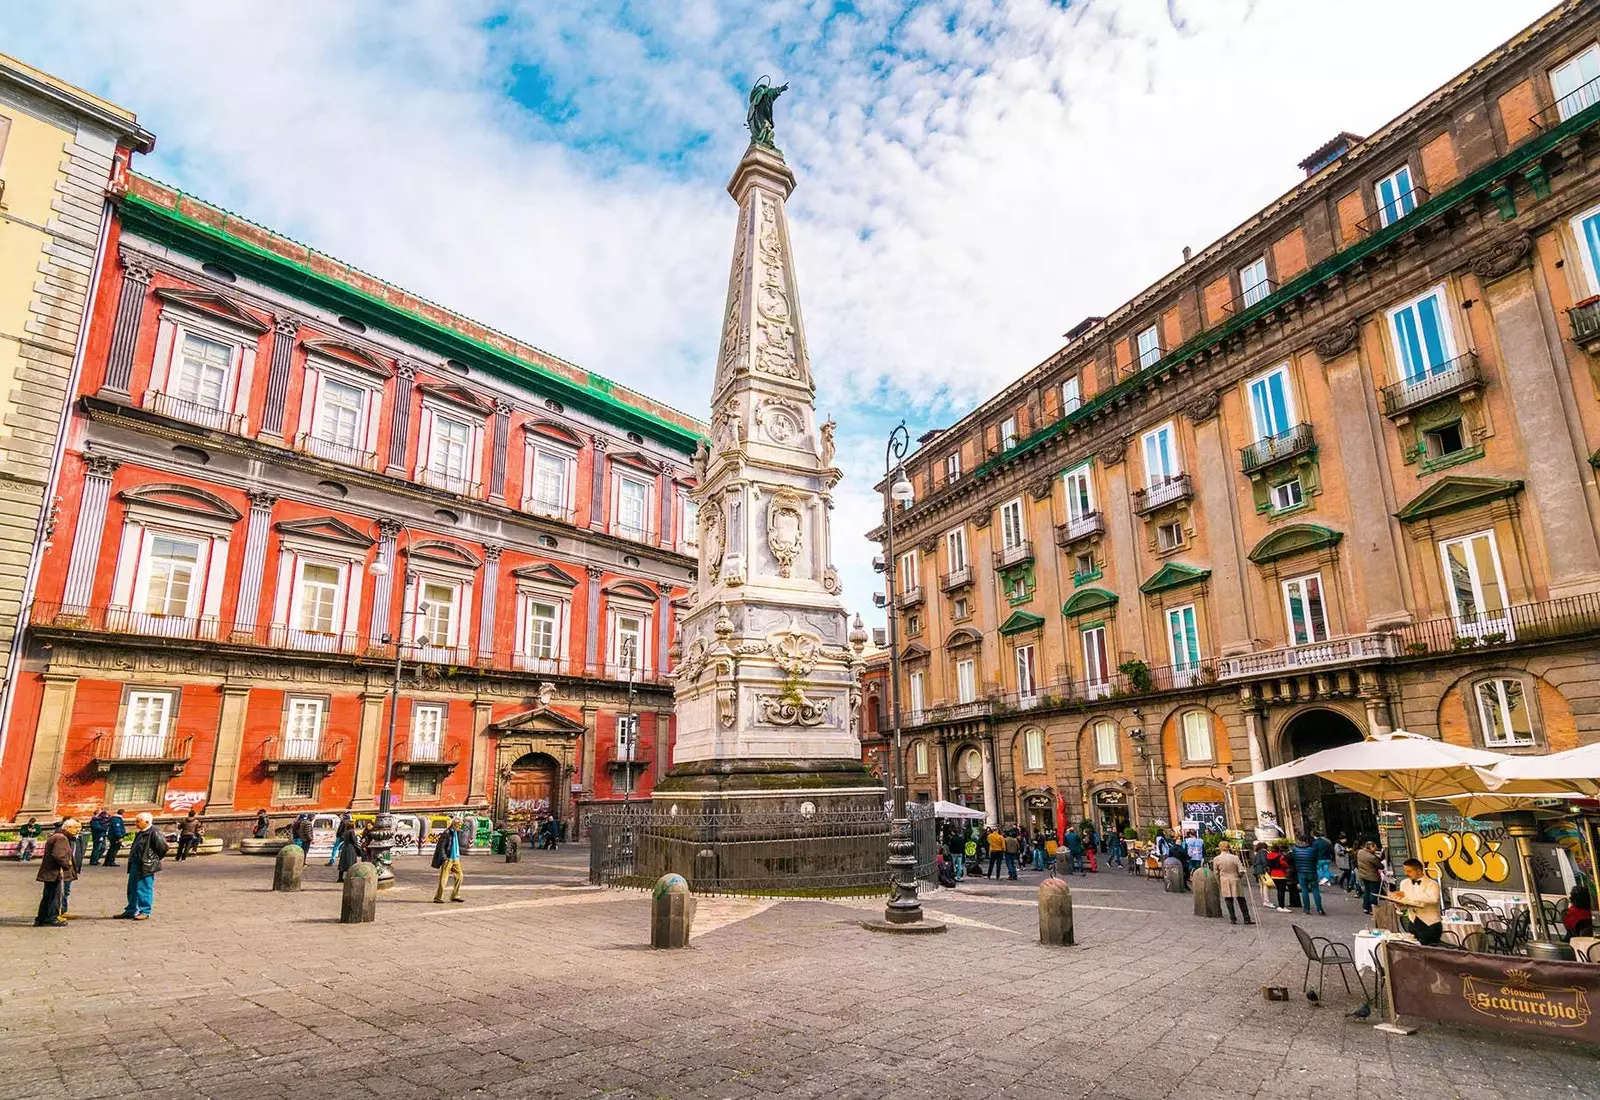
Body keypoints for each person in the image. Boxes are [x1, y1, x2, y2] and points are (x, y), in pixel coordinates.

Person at [114, 812, 168, 920]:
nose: (136, 823)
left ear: (147, 822)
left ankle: (145, 911)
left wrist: (153, 860)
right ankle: (131, 909)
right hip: (136, 863)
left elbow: (163, 848)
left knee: (144, 888)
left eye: (139, 821)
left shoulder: (154, 832)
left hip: (146, 865)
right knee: (132, 888)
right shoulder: (141, 833)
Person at [33, 818, 81, 927]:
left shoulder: (56, 836)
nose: (78, 830)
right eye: (76, 827)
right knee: (54, 896)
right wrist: (67, 864)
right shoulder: (61, 838)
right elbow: (58, 855)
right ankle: (51, 918)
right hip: (55, 873)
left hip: (50, 872)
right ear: (68, 827)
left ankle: (42, 918)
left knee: (48, 895)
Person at [1388, 859, 1442, 946]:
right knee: (1413, 950)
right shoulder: (1404, 883)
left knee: (1430, 952)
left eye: (1409, 871)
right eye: (1405, 871)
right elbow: (1406, 904)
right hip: (1412, 922)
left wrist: (1405, 896)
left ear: (1419, 871)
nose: (1406, 874)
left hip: (1430, 924)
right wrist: (1399, 904)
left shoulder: (1432, 884)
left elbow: (1433, 899)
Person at [1213, 841, 1255, 926]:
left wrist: (1219, 882)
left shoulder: (1216, 859)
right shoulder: (1235, 858)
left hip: (1224, 879)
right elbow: (1241, 870)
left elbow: (1216, 872)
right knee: (1241, 899)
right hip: (1235, 879)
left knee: (1228, 899)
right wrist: (1239, 876)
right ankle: (1246, 918)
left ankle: (1233, 918)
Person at [432, 818, 466, 903]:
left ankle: (455, 895)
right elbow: (441, 846)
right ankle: (438, 897)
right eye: (459, 825)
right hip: (448, 858)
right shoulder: (447, 833)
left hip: (455, 858)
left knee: (460, 876)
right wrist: (444, 858)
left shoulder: (456, 832)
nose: (460, 826)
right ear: (455, 824)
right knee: (444, 879)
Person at [1291, 833, 1325, 915]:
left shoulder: (1295, 850)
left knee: (1304, 890)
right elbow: (1315, 860)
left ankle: (1306, 909)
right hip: (1312, 872)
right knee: (1315, 890)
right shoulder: (1312, 850)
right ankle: (1319, 909)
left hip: (1301, 872)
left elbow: (1294, 860)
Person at [1355, 840, 1384, 915]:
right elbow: (1380, 866)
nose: (1376, 848)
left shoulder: (1360, 852)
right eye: (1374, 846)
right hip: (1372, 876)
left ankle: (1365, 907)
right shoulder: (1371, 857)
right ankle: (1372, 908)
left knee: (1367, 891)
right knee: (1373, 893)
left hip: (1363, 875)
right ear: (1371, 847)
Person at [1266, 843, 1293, 911]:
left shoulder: (1268, 855)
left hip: (1273, 874)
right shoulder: (1279, 856)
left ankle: (1280, 905)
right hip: (1280, 874)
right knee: (1281, 891)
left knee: (1278, 890)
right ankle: (1281, 906)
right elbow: (1284, 864)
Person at [335, 817, 362, 882]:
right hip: (351, 848)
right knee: (351, 862)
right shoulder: (351, 831)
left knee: (343, 863)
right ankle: (350, 876)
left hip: (345, 847)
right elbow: (353, 840)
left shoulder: (346, 832)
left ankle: (340, 877)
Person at [1252, 842, 1276, 911]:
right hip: (1262, 870)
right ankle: (1266, 901)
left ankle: (1264, 900)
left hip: (1257, 870)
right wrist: (1266, 867)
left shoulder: (1257, 853)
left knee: (1261, 885)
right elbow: (1264, 860)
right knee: (1266, 885)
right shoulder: (1263, 852)